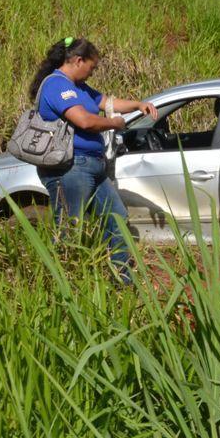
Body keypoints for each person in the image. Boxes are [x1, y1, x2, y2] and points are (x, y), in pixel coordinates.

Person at [29, 36, 158, 280]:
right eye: (92, 66)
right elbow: (85, 120)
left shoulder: (79, 86)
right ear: (78, 60)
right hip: (71, 168)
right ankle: (65, 285)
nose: (93, 72)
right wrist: (114, 123)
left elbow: (107, 101)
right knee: (70, 228)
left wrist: (138, 105)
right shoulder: (58, 85)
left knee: (117, 217)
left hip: (92, 167)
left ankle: (121, 278)